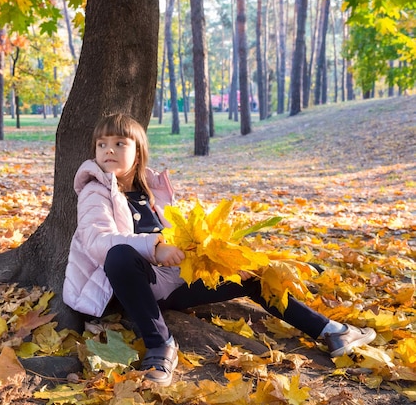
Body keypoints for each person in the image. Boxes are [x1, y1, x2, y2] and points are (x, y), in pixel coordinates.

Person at [62, 113, 376, 387]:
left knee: (252, 277)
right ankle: (160, 345)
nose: (109, 151)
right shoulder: (95, 191)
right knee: (119, 255)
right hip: (133, 284)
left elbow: (184, 242)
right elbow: (98, 240)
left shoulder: (152, 191)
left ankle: (330, 331)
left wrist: (221, 264)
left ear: (139, 151)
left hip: (175, 281)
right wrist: (154, 249)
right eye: (102, 144)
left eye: (119, 144)